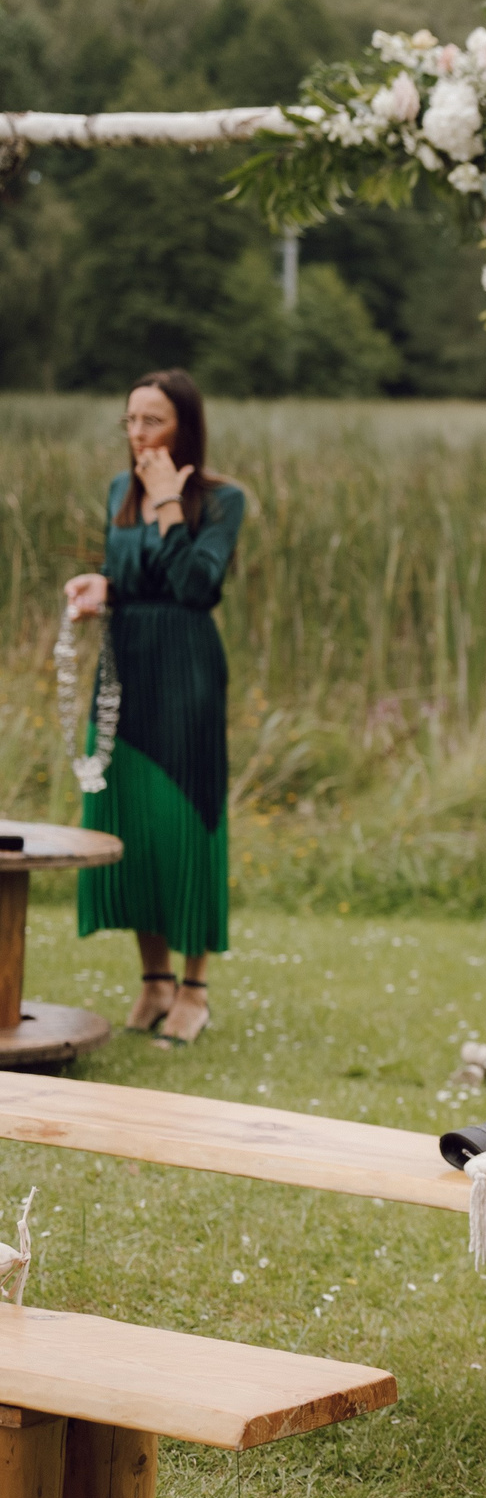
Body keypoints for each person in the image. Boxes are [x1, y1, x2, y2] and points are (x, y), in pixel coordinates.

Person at [61, 370, 247, 1045]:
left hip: (188, 675)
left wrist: (170, 504)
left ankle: (194, 988)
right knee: (131, 822)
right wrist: (100, 589)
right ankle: (153, 979)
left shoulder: (223, 501)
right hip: (125, 673)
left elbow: (196, 586)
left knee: (184, 823)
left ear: (184, 427)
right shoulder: (118, 492)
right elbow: (135, 579)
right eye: (130, 421)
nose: (138, 435)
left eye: (153, 421)